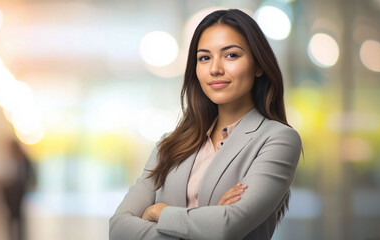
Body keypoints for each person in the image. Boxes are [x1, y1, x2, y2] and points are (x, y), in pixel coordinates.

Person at [110, 9, 302, 240]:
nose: (215, 69)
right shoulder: (170, 145)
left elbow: (227, 226)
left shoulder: (277, 139)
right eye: (204, 57)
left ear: (258, 65)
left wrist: (159, 212)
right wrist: (205, 220)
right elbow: (119, 228)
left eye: (231, 55)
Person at [2, 139, 36, 240]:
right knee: (11, 215)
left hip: (20, 190)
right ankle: (11, 235)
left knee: (19, 215)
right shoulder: (9, 159)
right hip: (11, 191)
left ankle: (20, 235)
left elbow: (30, 174)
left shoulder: (23, 159)